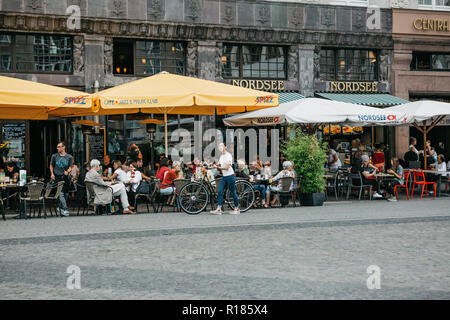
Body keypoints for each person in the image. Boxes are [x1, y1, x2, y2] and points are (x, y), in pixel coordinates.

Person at [210, 143, 240, 215]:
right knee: (220, 191)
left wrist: (217, 167)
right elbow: (219, 164)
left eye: (222, 146)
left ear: (225, 147)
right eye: (219, 146)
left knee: (232, 192)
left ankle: (237, 208)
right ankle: (219, 209)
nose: (220, 147)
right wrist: (212, 165)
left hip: (230, 176)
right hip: (224, 177)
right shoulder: (221, 156)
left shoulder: (228, 155)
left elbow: (226, 167)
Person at [49, 141, 73, 217]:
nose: (58, 148)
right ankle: (65, 209)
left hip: (65, 177)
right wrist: (52, 174)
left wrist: (68, 171)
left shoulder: (69, 157)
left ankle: (60, 207)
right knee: (61, 193)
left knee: (65, 194)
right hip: (57, 176)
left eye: (59, 147)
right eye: (57, 147)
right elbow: (51, 165)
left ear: (64, 147)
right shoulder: (54, 156)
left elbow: (71, 166)